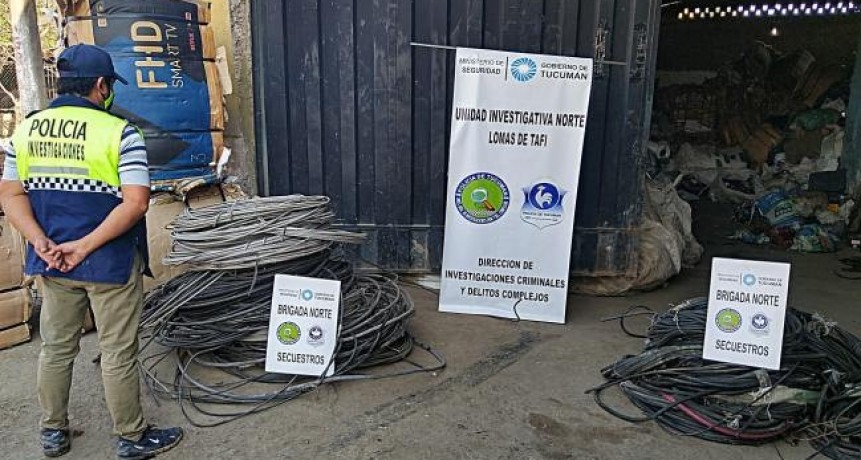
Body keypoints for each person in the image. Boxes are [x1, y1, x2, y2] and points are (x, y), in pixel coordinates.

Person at [0, 44, 183, 459]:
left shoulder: (26, 131)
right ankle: (131, 437)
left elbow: (10, 194)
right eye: (109, 86)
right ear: (101, 85)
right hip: (109, 263)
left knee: (56, 347)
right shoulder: (120, 133)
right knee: (118, 351)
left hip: (52, 262)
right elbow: (136, 203)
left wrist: (40, 240)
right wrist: (83, 247)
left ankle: (52, 432)